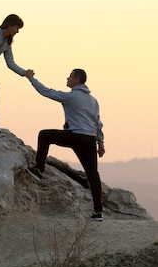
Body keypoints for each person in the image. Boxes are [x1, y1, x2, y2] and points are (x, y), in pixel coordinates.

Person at [24, 68, 105, 221]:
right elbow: (98, 124)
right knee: (93, 175)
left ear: (77, 80)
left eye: (70, 76)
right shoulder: (93, 101)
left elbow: (46, 92)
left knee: (44, 135)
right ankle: (98, 212)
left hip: (76, 136)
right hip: (90, 139)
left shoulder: (71, 97)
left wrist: (31, 78)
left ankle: (39, 170)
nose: (67, 78)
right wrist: (101, 144)